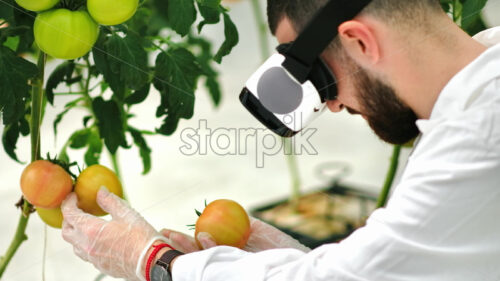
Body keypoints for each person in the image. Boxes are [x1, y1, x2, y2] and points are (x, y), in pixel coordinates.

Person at [61, 0, 500, 280]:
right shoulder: (475, 97)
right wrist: (297, 257)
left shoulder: (477, 137)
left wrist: (155, 262)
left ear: (359, 40)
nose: (329, 105)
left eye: (319, 79)